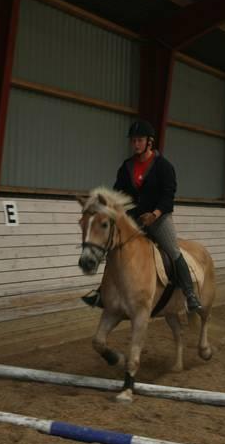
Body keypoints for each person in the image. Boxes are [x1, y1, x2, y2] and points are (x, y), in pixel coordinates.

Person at [82, 119, 203, 313]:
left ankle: (190, 294)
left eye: (139, 140)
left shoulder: (164, 166)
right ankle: (102, 292)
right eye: (133, 141)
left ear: (149, 142)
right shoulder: (126, 167)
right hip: (133, 219)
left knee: (173, 250)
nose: (135, 144)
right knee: (112, 248)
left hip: (158, 218)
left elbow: (168, 196)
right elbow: (117, 192)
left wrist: (154, 215)